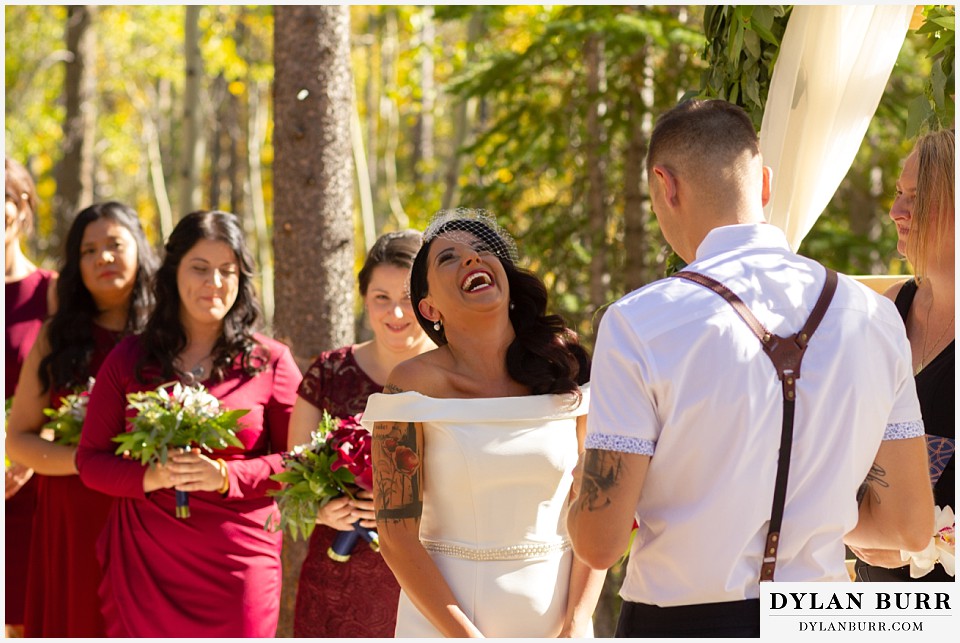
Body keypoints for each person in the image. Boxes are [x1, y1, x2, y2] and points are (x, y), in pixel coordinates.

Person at [565, 99, 934, 638]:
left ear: (664, 186)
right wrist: (816, 511)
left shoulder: (639, 322)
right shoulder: (875, 316)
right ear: (763, 185)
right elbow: (909, 526)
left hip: (679, 624)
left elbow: (599, 543)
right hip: (820, 623)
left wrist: (579, 483)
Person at [361, 209, 606, 637]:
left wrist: (576, 623)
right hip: (446, 627)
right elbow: (396, 535)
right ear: (428, 306)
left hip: (559, 624)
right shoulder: (410, 386)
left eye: (481, 250)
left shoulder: (564, 368)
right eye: (448, 258)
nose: (472, 259)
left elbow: (594, 507)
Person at [76, 210, 301, 637]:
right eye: (200, 268)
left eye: (226, 271)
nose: (213, 283)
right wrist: (151, 476)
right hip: (145, 567)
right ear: (173, 271)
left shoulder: (271, 362)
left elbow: (301, 464)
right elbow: (90, 461)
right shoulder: (128, 359)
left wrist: (226, 475)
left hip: (240, 570)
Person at [5, 201, 158, 636]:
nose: (102, 258)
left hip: (151, 511)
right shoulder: (57, 335)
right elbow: (18, 439)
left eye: (114, 244)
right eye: (88, 251)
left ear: (140, 250)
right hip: (73, 517)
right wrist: (88, 462)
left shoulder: (171, 334)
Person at [290, 229, 435, 637]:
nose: (397, 314)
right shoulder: (329, 372)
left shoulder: (458, 378)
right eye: (381, 299)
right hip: (338, 576)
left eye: (408, 299)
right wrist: (320, 510)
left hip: (429, 576)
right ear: (364, 299)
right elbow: (290, 484)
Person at [852, 128, 954, 582]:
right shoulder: (890, 310)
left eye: (916, 197)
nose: (896, 211)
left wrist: (926, 546)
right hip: (873, 599)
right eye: (898, 194)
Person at [4, 156, 58, 637]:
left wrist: (29, 451)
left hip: (30, 489)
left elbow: (81, 390)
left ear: (19, 207)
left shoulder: (53, 294)